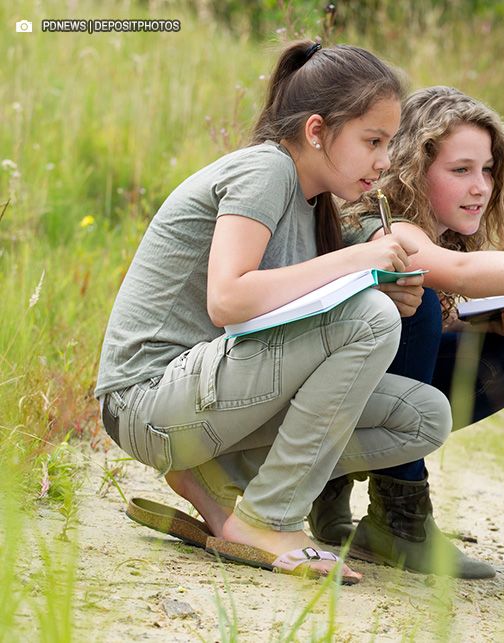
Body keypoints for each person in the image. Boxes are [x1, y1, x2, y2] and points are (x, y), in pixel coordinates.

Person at [206, 86, 504, 579]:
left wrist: (488, 323)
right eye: (461, 170)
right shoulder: (381, 227)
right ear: (413, 168)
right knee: (417, 308)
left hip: (336, 393)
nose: (480, 186)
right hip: (286, 401)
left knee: (499, 361)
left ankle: (336, 493)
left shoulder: (418, 228)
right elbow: (458, 271)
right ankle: (399, 516)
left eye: (488, 169)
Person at [95, 41, 452, 584]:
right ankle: (269, 517)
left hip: (211, 401)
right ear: (316, 131)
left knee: (424, 415)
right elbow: (229, 298)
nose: (384, 161)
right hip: (147, 402)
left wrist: (373, 280)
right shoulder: (265, 171)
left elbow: (283, 317)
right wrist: (356, 263)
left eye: (389, 143)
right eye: (373, 141)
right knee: (370, 318)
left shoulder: (313, 204)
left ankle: (221, 481)